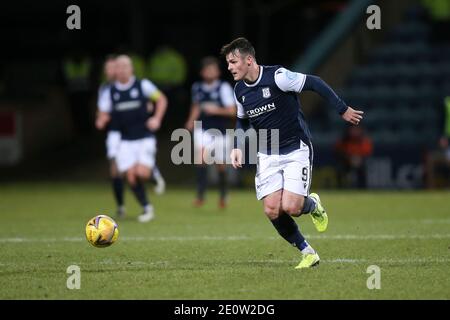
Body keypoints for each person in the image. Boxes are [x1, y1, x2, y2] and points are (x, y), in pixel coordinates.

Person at [222, 37, 363, 269]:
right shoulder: (239, 91)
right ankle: (308, 252)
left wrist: (343, 109)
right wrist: (237, 146)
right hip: (267, 154)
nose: (230, 67)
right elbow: (241, 121)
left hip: (295, 148)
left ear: (249, 60)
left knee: (292, 208)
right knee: (271, 209)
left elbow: (315, 82)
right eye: (228, 63)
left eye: (233, 61)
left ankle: (312, 204)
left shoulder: (278, 77)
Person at [97, 55, 168, 222]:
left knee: (141, 173)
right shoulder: (110, 90)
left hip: (144, 137)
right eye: (119, 67)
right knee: (130, 176)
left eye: (125, 67)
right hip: (125, 140)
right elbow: (104, 110)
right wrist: (102, 118)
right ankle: (147, 208)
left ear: (131, 69)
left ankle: (153, 172)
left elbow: (162, 99)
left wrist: (156, 118)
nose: (121, 70)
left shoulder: (143, 85)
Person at [185, 57, 236, 208]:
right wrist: (190, 121)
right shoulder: (197, 87)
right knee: (201, 158)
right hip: (203, 129)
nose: (210, 72)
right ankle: (200, 196)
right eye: (208, 70)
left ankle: (223, 195)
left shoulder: (223, 88)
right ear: (202, 72)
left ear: (218, 72)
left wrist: (216, 110)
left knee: (220, 164)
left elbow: (233, 111)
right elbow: (196, 106)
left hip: (220, 131)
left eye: (213, 69)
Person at [95, 55, 126, 217]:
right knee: (115, 170)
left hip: (134, 134)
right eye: (106, 69)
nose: (109, 71)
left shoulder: (132, 85)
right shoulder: (105, 88)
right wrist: (101, 118)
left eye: (112, 68)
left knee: (135, 172)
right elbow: (102, 110)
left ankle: (146, 203)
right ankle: (121, 206)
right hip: (115, 133)